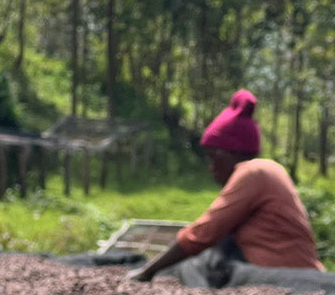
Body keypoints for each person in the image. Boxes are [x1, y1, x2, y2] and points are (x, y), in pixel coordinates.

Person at [129, 89, 323, 284]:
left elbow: (203, 233)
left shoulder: (252, 172)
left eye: (214, 157)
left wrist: (147, 272)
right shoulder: (268, 169)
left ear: (232, 153)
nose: (211, 167)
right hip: (292, 272)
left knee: (206, 263)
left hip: (289, 278)